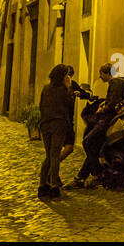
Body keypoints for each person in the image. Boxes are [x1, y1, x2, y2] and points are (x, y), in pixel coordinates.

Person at [73, 63, 124, 187]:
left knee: (87, 142)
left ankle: (97, 173)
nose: (101, 78)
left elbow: (113, 103)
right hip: (114, 117)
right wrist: (105, 102)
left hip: (107, 119)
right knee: (95, 147)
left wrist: (102, 109)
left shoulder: (114, 83)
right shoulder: (122, 81)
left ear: (106, 73)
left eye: (101, 75)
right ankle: (83, 176)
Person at [38, 64, 75, 199]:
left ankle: (42, 185)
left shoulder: (45, 88)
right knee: (54, 156)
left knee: (49, 155)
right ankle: (54, 185)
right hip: (58, 124)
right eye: (66, 74)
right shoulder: (62, 90)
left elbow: (41, 106)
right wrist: (68, 87)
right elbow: (69, 104)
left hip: (45, 124)